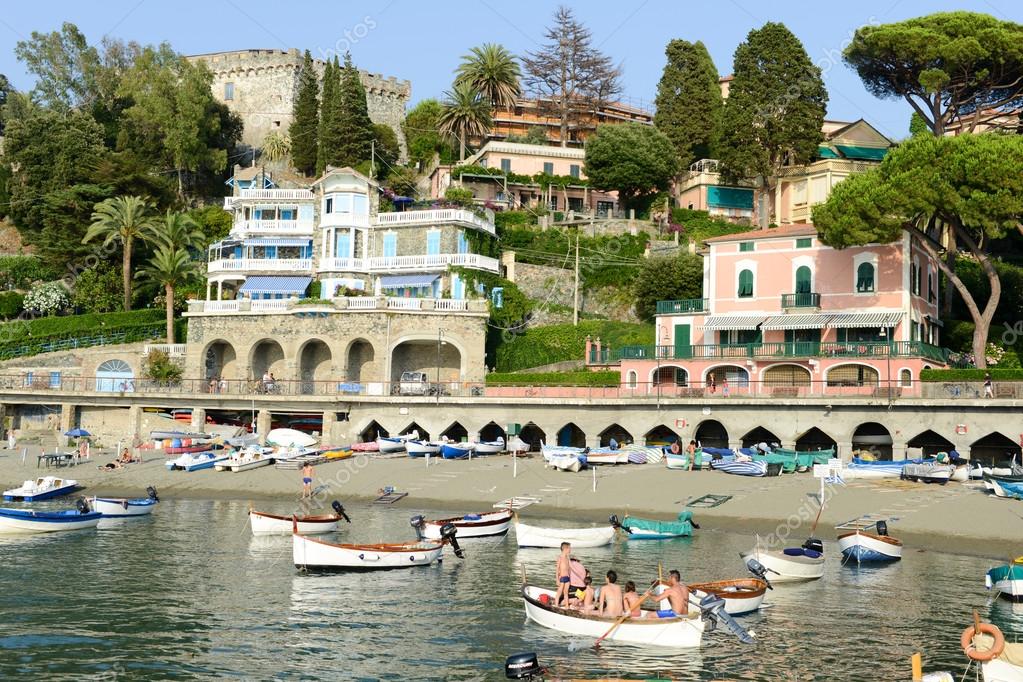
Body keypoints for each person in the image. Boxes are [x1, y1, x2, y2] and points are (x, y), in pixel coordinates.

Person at [555, 542, 572, 607]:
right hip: (561, 577)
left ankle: (567, 606)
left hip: (567, 578)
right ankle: (556, 605)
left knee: (566, 593)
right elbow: (557, 569)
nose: (570, 550)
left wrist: (569, 578)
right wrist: (557, 579)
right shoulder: (560, 558)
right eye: (569, 548)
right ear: (565, 549)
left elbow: (569, 569)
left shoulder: (567, 558)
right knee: (559, 592)